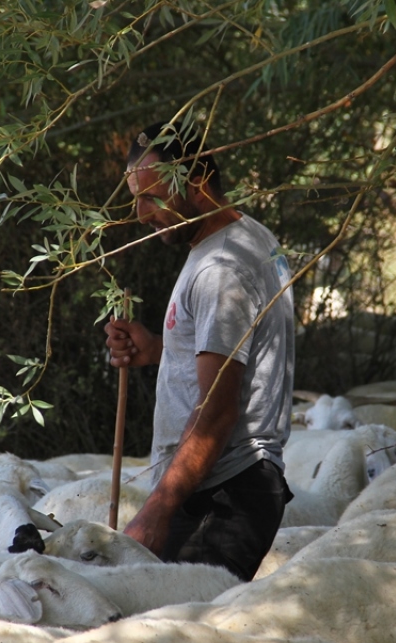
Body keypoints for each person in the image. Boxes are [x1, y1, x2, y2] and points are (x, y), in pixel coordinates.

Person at [103, 119, 295, 581]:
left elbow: (216, 411)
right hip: (226, 487)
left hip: (220, 495)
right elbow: (230, 356)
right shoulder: (247, 236)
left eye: (153, 197)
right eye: (136, 199)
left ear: (198, 180)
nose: (143, 214)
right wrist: (156, 349)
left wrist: (156, 510)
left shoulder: (219, 269)